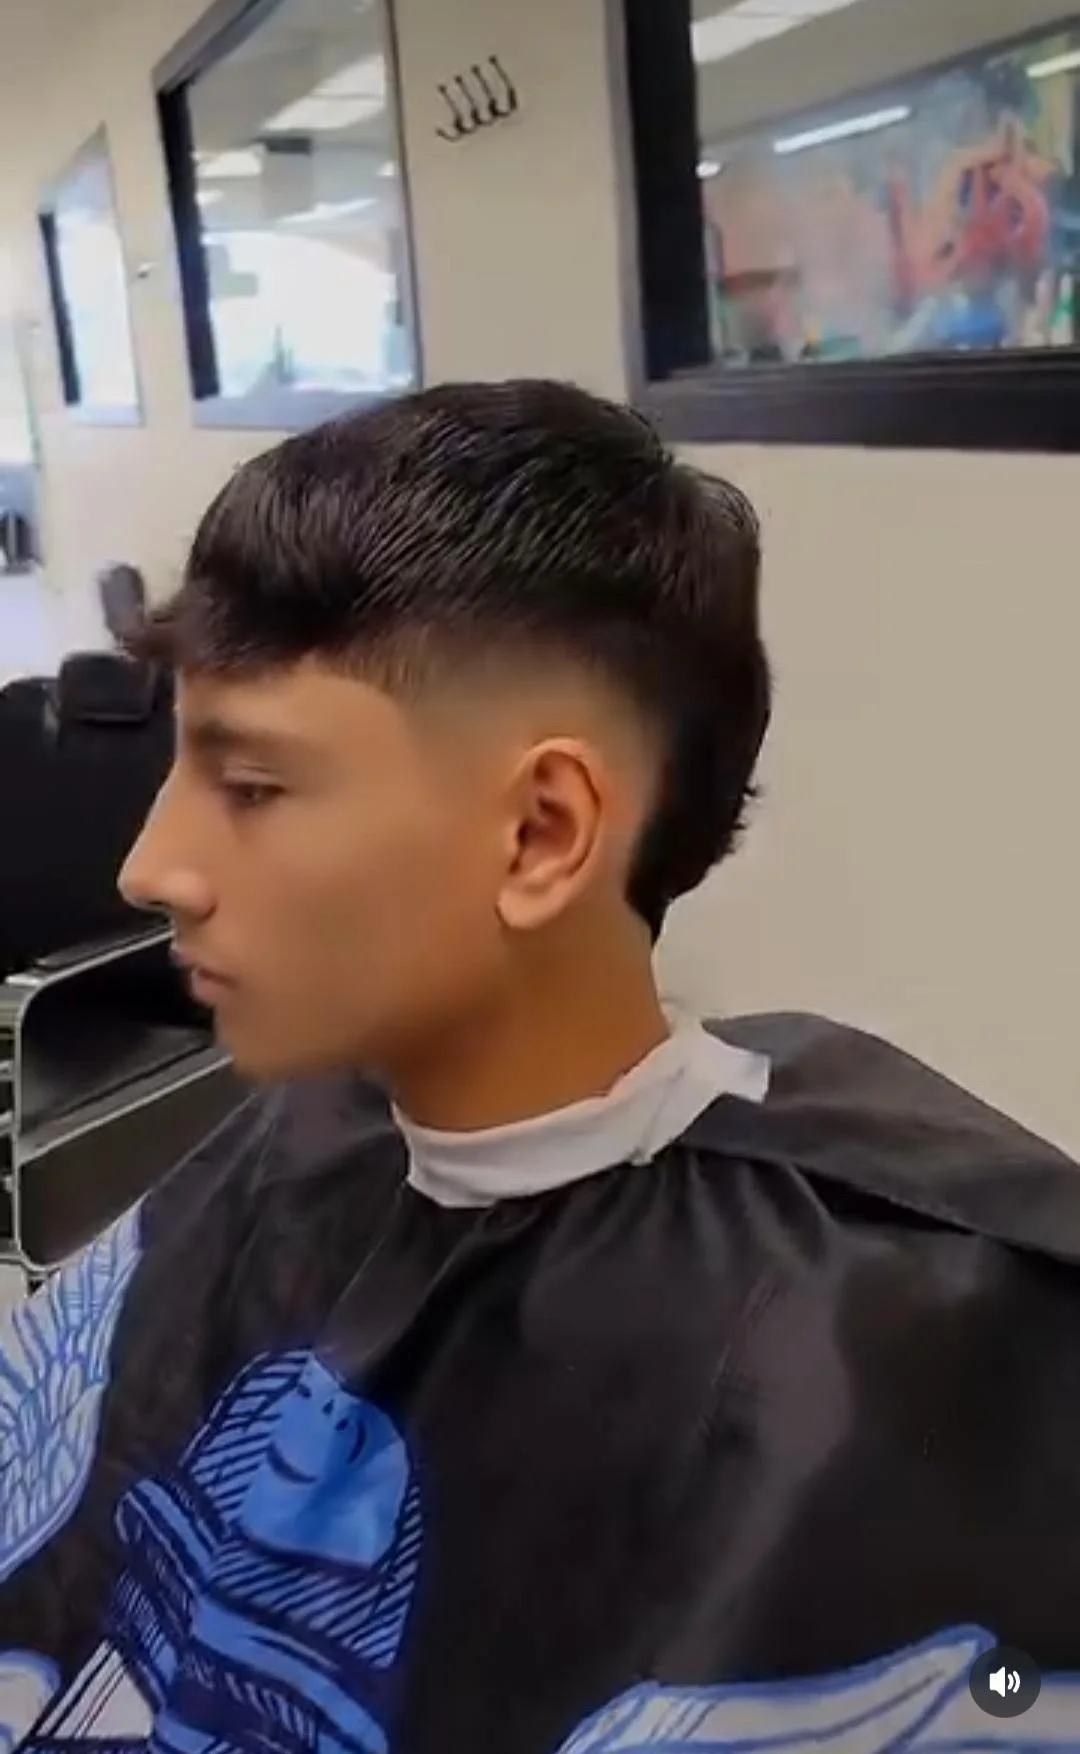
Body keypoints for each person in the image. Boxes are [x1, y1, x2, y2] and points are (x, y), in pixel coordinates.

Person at [1, 380, 1079, 1754]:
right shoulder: (292, 1143)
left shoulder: (931, 1319)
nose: (150, 866)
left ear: (539, 835)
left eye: (253, 784)